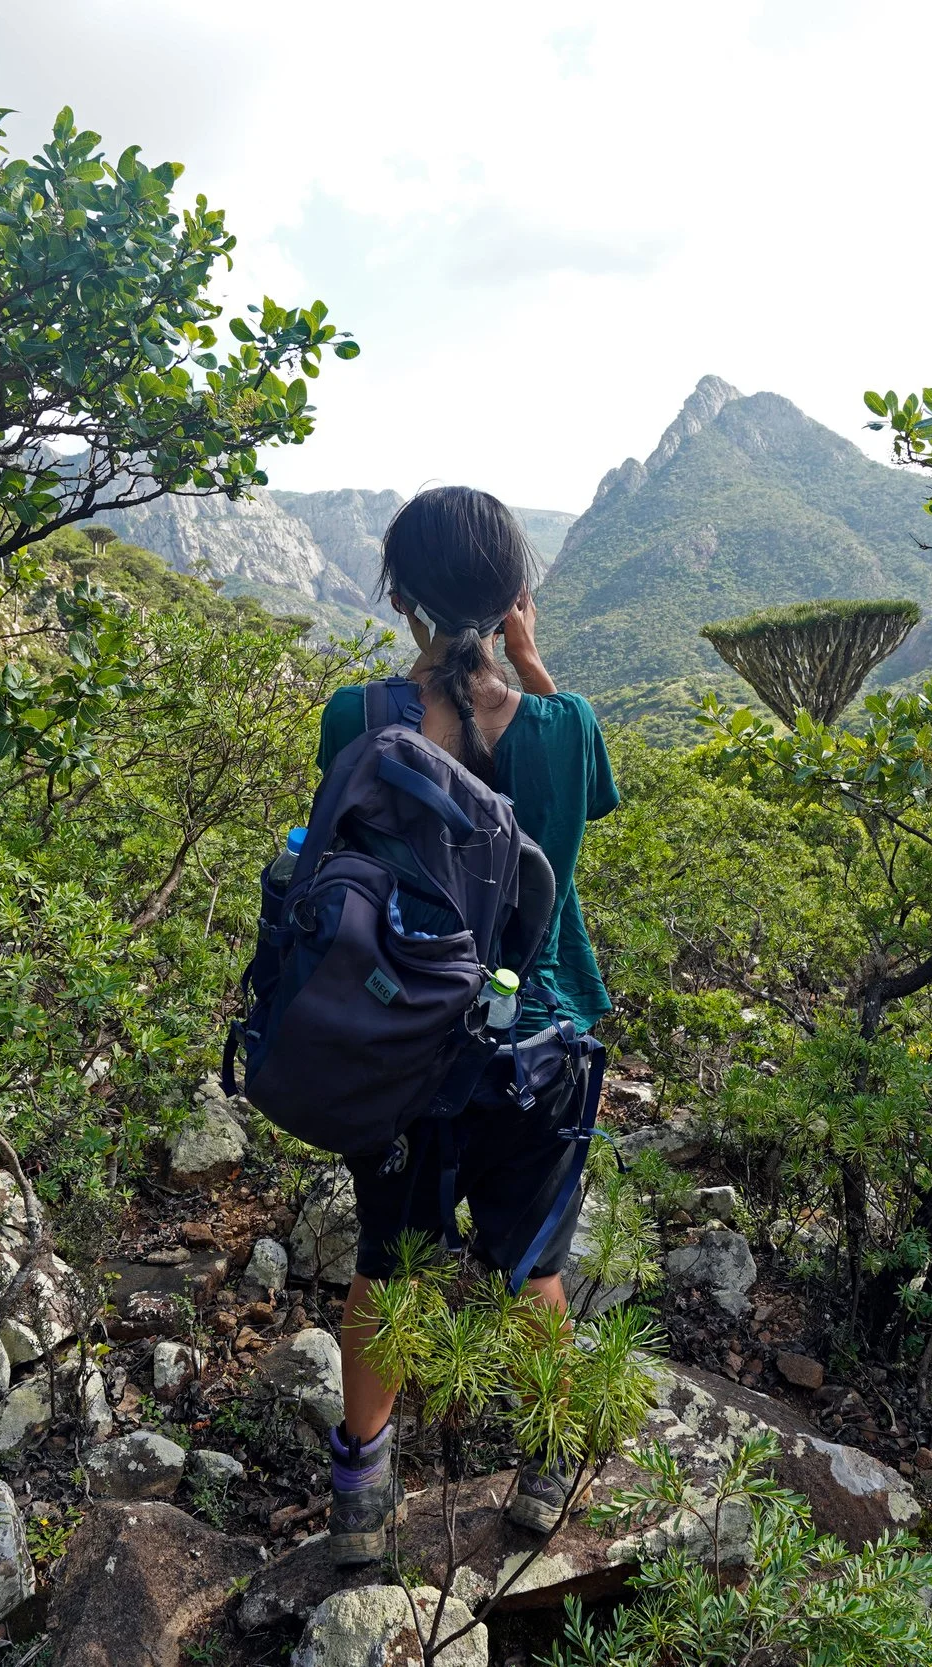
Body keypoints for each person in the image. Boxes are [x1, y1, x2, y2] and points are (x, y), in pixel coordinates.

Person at [315, 485, 620, 1565]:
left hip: (393, 1043)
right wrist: (532, 670)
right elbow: (591, 801)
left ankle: (360, 1498)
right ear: (515, 598)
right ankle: (544, 1469)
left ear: (397, 595)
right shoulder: (565, 726)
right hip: (533, 1043)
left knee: (383, 1263)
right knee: (531, 1265)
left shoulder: (357, 715)